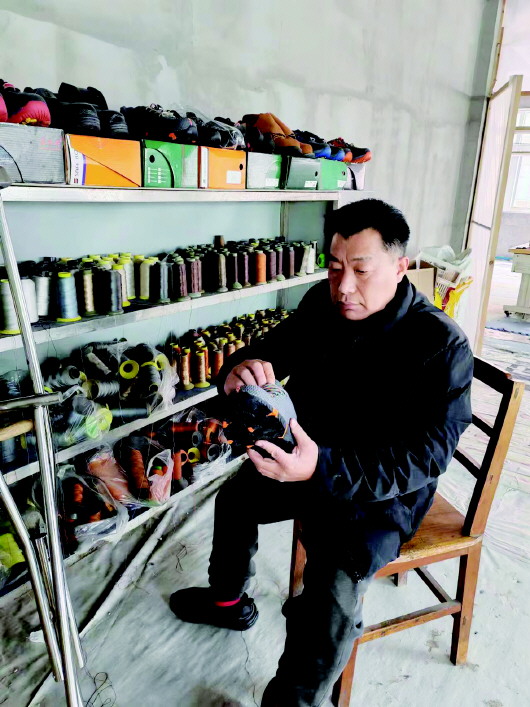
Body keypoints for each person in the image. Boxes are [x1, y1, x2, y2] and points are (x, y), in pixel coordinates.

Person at [170, 198, 474, 707]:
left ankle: (294, 701)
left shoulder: (440, 345)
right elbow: (269, 351)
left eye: (361, 270)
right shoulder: (322, 305)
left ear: (401, 267)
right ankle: (227, 601)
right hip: (304, 460)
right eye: (334, 268)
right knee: (237, 498)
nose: (344, 286)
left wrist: (322, 467)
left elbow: (426, 458)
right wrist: (240, 368)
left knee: (331, 586)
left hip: (378, 493)